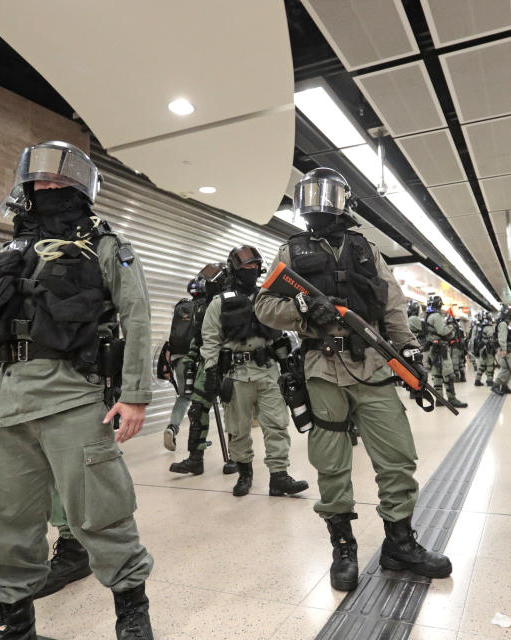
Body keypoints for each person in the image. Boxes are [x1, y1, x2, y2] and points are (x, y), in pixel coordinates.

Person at [0, 141, 155, 639]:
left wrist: (136, 393)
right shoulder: (12, 251)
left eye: (60, 182)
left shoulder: (107, 244)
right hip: (4, 401)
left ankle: (132, 613)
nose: (49, 188)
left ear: (82, 189)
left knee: (101, 514)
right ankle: (14, 622)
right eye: (41, 182)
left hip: (72, 397)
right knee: (3, 520)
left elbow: (137, 316)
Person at [256, 168, 452, 593]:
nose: (318, 203)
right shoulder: (290, 251)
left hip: (374, 364)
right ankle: (342, 545)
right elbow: (265, 306)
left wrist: (410, 350)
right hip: (322, 369)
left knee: (397, 455)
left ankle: (399, 543)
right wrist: (303, 312)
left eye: (326, 194)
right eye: (310, 193)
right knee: (331, 461)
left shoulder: (367, 249)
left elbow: (393, 303)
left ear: (345, 200)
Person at [199, 246, 308, 497]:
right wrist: (211, 372)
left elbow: (282, 332)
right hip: (236, 374)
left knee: (277, 425)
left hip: (267, 371)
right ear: (234, 269)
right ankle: (244, 474)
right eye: (246, 266)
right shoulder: (219, 303)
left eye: (255, 266)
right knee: (238, 429)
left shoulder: (267, 300)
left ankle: (279, 477)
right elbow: (210, 340)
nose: (252, 270)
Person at [168, 262, 236, 475]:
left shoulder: (233, 303)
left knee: (233, 412)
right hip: (207, 364)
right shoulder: (203, 306)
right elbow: (199, 337)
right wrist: (191, 357)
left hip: (230, 364)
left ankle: (237, 457)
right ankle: (195, 459)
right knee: (197, 409)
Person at [162, 276, 206, 451]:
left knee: (184, 396)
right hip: (198, 357)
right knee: (202, 398)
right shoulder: (207, 306)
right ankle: (197, 439)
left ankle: (172, 427)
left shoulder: (181, 307)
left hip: (178, 359)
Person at [422, 295, 468, 408]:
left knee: (437, 375)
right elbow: (442, 331)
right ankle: (452, 399)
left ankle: (439, 399)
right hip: (441, 350)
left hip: (433, 349)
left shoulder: (426, 316)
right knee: (448, 374)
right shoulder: (436, 316)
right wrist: (452, 326)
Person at [490, 304, 511, 395]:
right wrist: (504, 349)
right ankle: (495, 385)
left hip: (508, 348)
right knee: (505, 368)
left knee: (508, 368)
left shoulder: (503, 323)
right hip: (506, 349)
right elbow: (502, 338)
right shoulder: (503, 324)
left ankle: (504, 386)